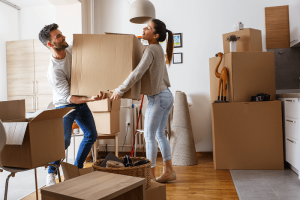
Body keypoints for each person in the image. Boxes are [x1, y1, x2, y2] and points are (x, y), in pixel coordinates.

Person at [38, 23, 105, 186]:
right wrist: (90, 99)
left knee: (91, 135)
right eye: (58, 36)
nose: (63, 37)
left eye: (61, 34)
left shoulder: (71, 49)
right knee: (64, 141)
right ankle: (51, 172)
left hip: (80, 102)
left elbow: (90, 48)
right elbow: (70, 98)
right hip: (65, 105)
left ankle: (77, 169)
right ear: (50, 44)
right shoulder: (54, 71)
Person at [110, 19, 176, 183]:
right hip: (166, 95)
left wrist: (119, 90)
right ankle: (169, 171)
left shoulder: (151, 49)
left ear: (155, 35)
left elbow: (137, 73)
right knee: (160, 135)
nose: (144, 29)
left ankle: (150, 176)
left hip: (158, 97)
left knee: (149, 136)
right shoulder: (158, 48)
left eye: (148, 28)